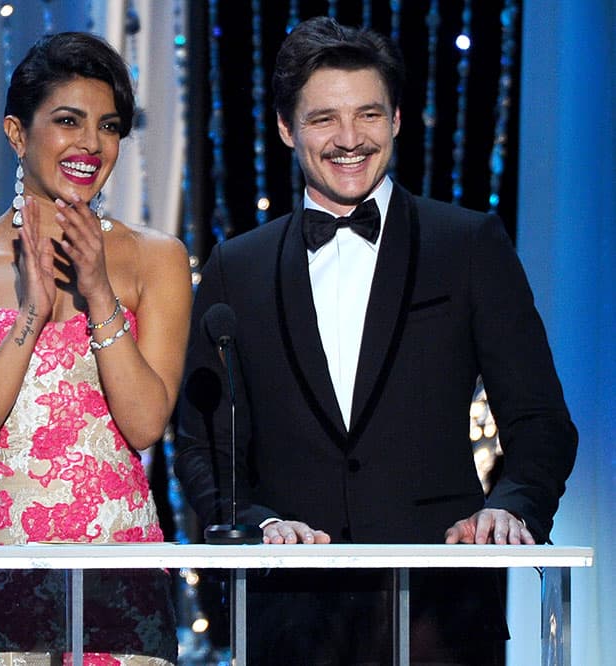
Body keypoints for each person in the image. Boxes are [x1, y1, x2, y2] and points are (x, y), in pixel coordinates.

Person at [175, 16, 577, 666]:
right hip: (290, 616)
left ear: (396, 120)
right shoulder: (236, 266)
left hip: (440, 611)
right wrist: (256, 523)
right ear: (285, 128)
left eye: (368, 114)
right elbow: (203, 444)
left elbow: (541, 421)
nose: (349, 139)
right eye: (323, 119)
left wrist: (513, 508)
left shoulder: (467, 244)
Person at [0, 31, 191, 665]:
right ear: (16, 133)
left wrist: (99, 294)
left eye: (109, 126)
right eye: (68, 121)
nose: (91, 144)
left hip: (117, 570)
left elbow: (145, 424)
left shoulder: (156, 259)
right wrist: (30, 316)